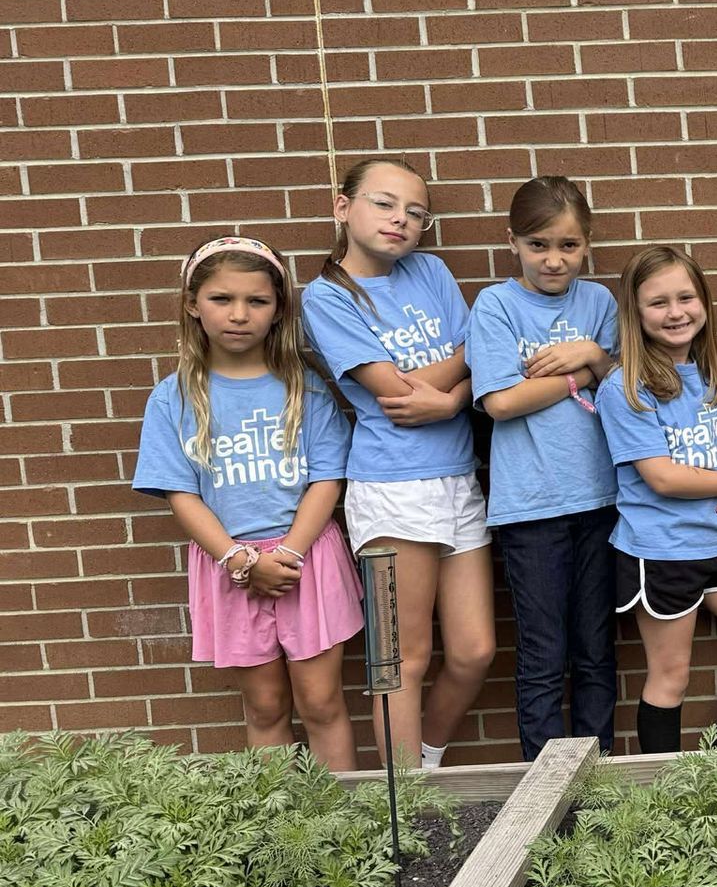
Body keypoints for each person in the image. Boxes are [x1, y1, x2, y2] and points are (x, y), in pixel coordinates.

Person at [134, 236, 360, 771]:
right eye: (221, 299)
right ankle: (283, 832)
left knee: (323, 702)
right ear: (192, 302)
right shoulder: (173, 398)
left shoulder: (304, 388)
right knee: (264, 705)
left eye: (257, 301)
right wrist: (240, 560)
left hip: (307, 558)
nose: (239, 315)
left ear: (278, 308)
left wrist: (291, 554)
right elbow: (181, 494)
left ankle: (352, 829)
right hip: (228, 565)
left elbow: (327, 480)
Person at [303, 157, 493, 768]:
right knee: (404, 658)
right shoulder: (327, 296)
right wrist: (447, 388)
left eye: (415, 212)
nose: (400, 220)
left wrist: (451, 402)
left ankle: (425, 766)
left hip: (459, 478)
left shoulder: (431, 270)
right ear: (343, 207)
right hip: (391, 489)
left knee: (473, 651)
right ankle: (407, 801)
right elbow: (391, 390)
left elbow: (478, 353)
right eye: (384, 204)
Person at [597, 244, 717, 753]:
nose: (676, 312)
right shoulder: (626, 387)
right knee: (671, 678)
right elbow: (661, 477)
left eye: (686, 297)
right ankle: (663, 795)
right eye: (658, 302)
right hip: (661, 550)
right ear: (636, 313)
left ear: (704, 302)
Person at [469, 176, 620, 759]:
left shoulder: (601, 303)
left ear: (586, 244)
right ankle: (540, 786)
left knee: (595, 649)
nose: (553, 260)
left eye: (567, 246)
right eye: (538, 245)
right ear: (512, 243)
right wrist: (581, 369)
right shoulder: (498, 305)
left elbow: (624, 390)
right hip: (531, 507)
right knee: (542, 652)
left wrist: (597, 358)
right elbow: (501, 402)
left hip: (603, 502)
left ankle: (596, 778)